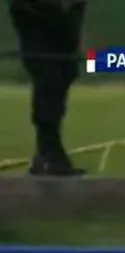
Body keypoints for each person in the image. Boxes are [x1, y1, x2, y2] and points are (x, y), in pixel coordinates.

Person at [9, 0, 87, 176]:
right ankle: (49, 152)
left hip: (66, 10)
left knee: (66, 71)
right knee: (48, 74)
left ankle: (47, 153)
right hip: (33, 10)